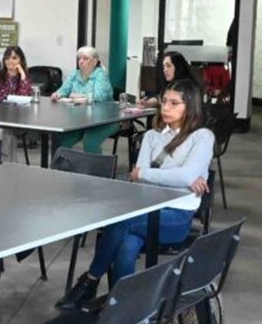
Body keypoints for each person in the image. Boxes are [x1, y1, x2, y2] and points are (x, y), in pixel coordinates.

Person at [57, 79, 213, 311]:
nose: (166, 108)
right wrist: (179, 177)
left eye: (174, 103)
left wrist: (150, 174)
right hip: (146, 207)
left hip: (176, 216)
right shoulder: (152, 136)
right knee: (127, 246)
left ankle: (90, 280)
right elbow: (142, 178)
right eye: (164, 102)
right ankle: (123, 308)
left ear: (190, 106)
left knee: (123, 221)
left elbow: (164, 175)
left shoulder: (202, 137)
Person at [50, 46, 115, 154]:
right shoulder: (74, 74)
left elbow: (99, 97)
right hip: (81, 119)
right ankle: (63, 164)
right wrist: (57, 94)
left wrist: (76, 96)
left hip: (105, 119)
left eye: (85, 58)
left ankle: (98, 165)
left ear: (94, 61)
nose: (81, 61)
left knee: (90, 142)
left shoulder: (101, 74)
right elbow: (64, 90)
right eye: (79, 58)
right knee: (62, 140)